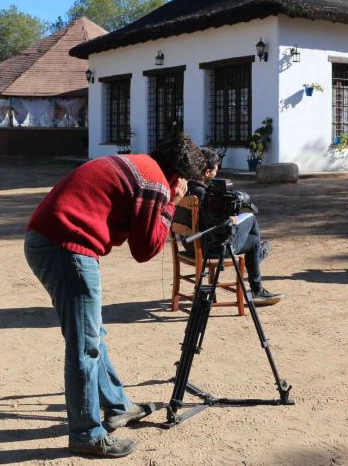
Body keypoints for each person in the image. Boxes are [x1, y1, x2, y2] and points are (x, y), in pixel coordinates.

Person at [24, 134, 206, 458]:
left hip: (51, 239)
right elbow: (145, 249)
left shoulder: (142, 165)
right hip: (66, 246)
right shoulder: (157, 184)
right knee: (85, 345)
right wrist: (171, 204)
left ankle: (117, 405)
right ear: (178, 178)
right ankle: (86, 434)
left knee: (92, 334)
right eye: (187, 184)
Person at [174, 147, 283, 306]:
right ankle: (257, 286)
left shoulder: (185, 188)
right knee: (251, 219)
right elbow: (223, 228)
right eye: (215, 171)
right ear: (206, 172)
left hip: (190, 245)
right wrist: (233, 217)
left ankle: (256, 258)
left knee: (253, 242)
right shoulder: (205, 196)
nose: (216, 174)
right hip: (211, 248)